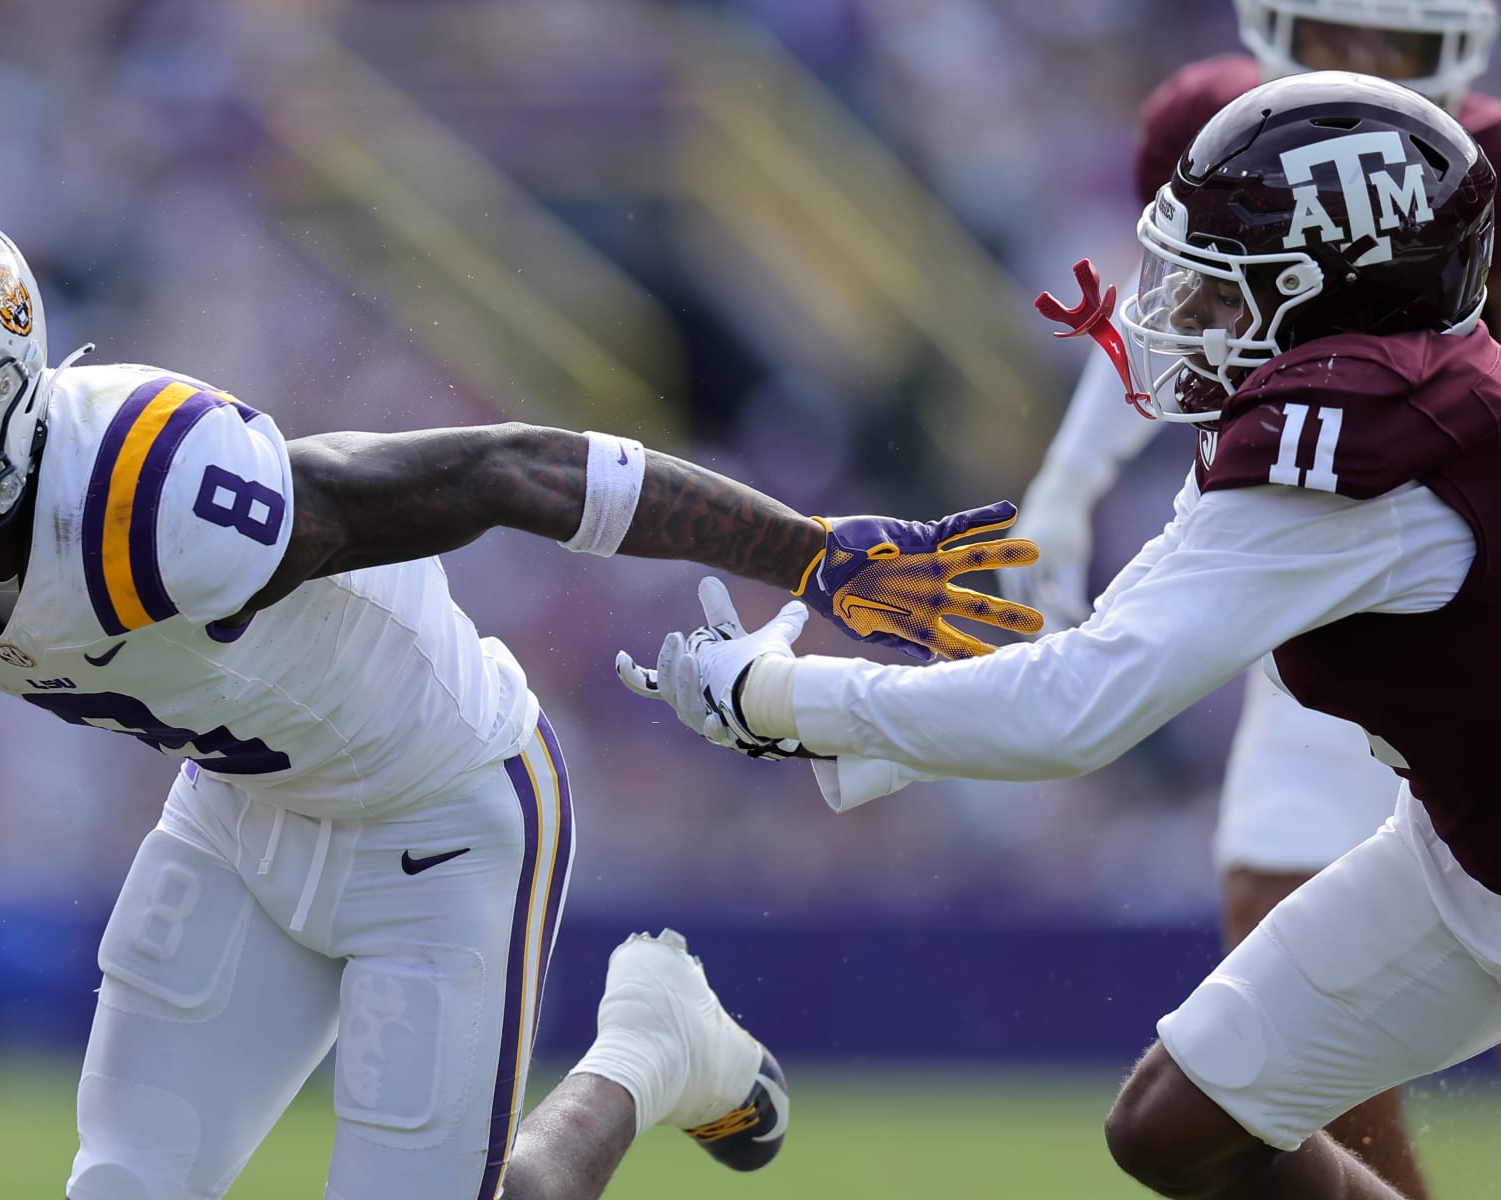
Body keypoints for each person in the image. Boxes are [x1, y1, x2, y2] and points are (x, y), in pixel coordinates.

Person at [0, 195, 1041, 1200]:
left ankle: (650, 1051)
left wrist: (809, 554)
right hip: (240, 822)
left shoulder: (158, 493)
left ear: (3, 412)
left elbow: (503, 470)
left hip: (445, 809)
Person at [623, 71, 1501, 1200]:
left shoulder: (1358, 448)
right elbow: (1119, 639)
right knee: (1177, 1126)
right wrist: (889, 731)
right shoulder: (1370, 400)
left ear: (1319, 294)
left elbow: (1080, 710)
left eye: (1221, 291)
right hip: (1464, 842)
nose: (1184, 316)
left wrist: (784, 699)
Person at [998, 3, 1500, 1189]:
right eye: (1332, 32)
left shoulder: (1474, 171)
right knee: (1271, 897)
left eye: (1391, 44)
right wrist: (1066, 486)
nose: (1359, 64)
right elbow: (1178, 306)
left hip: (1464, 563)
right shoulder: (1224, 133)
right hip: (1324, 565)